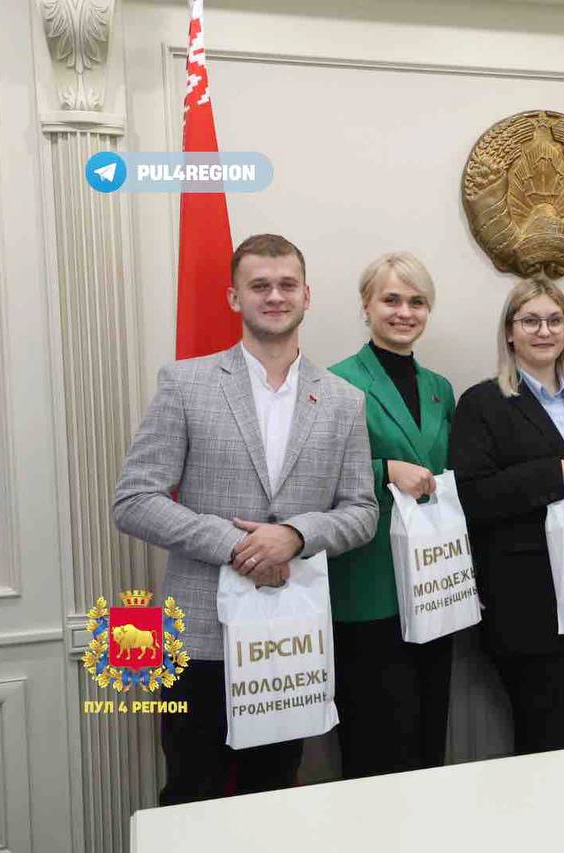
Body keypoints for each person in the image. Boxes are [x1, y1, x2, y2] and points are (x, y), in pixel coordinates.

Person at [113, 233, 378, 804]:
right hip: (197, 638)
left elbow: (362, 512)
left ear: (307, 296)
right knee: (191, 795)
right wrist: (237, 545)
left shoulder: (343, 399)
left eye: (286, 285)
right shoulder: (185, 383)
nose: (274, 296)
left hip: (289, 639)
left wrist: (296, 535)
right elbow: (133, 500)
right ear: (234, 298)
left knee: (274, 797)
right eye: (259, 286)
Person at [449, 279, 564, 755]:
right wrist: (550, 474)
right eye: (530, 320)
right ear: (509, 331)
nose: (544, 331)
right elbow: (472, 496)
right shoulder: (482, 403)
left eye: (555, 320)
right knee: (548, 740)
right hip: (526, 605)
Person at [327, 252, 456, 779]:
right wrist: (384, 470)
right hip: (370, 583)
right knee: (376, 741)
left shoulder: (440, 388)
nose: (405, 312)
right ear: (367, 305)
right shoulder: (336, 382)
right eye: (392, 300)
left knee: (429, 733)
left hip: (433, 581)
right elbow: (313, 477)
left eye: (417, 302)